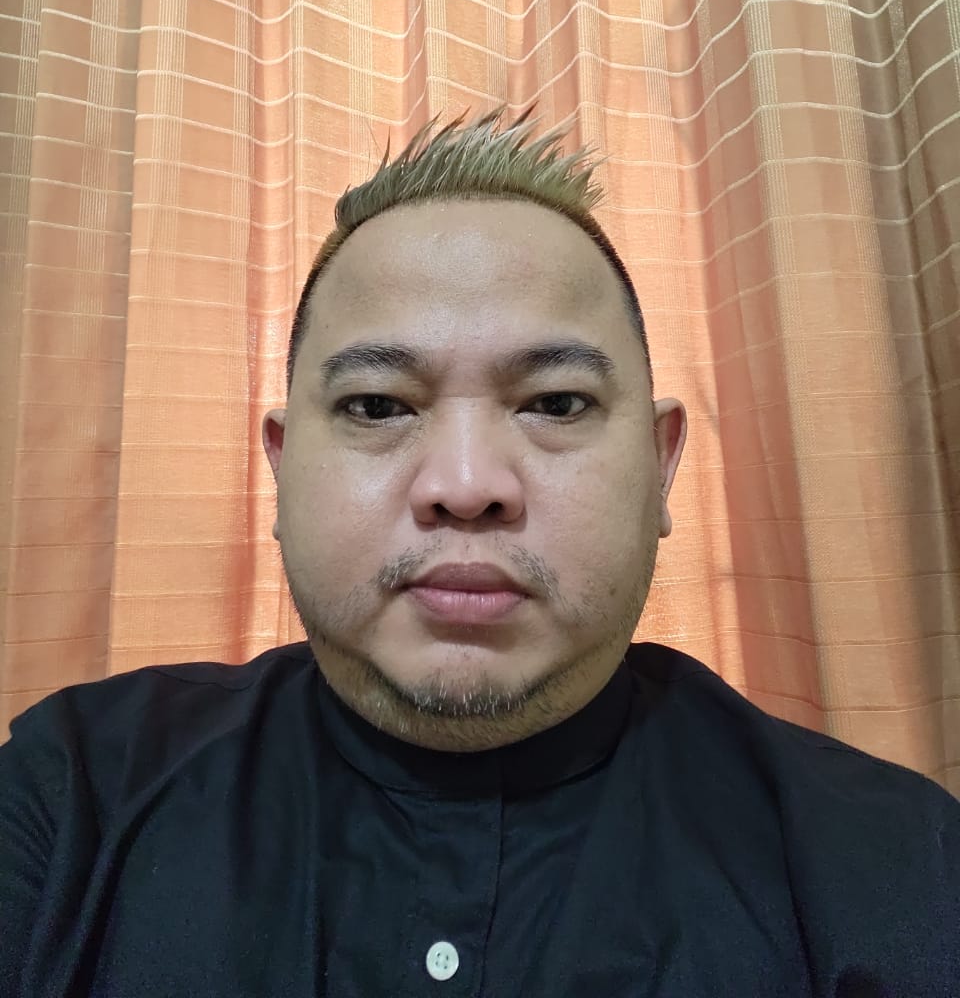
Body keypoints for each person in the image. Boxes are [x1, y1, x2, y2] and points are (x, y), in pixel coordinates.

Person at [0, 107, 956, 998]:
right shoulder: (72, 798)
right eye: (377, 405)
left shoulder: (900, 863)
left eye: (557, 403)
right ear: (283, 471)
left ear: (661, 466)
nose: (465, 485)